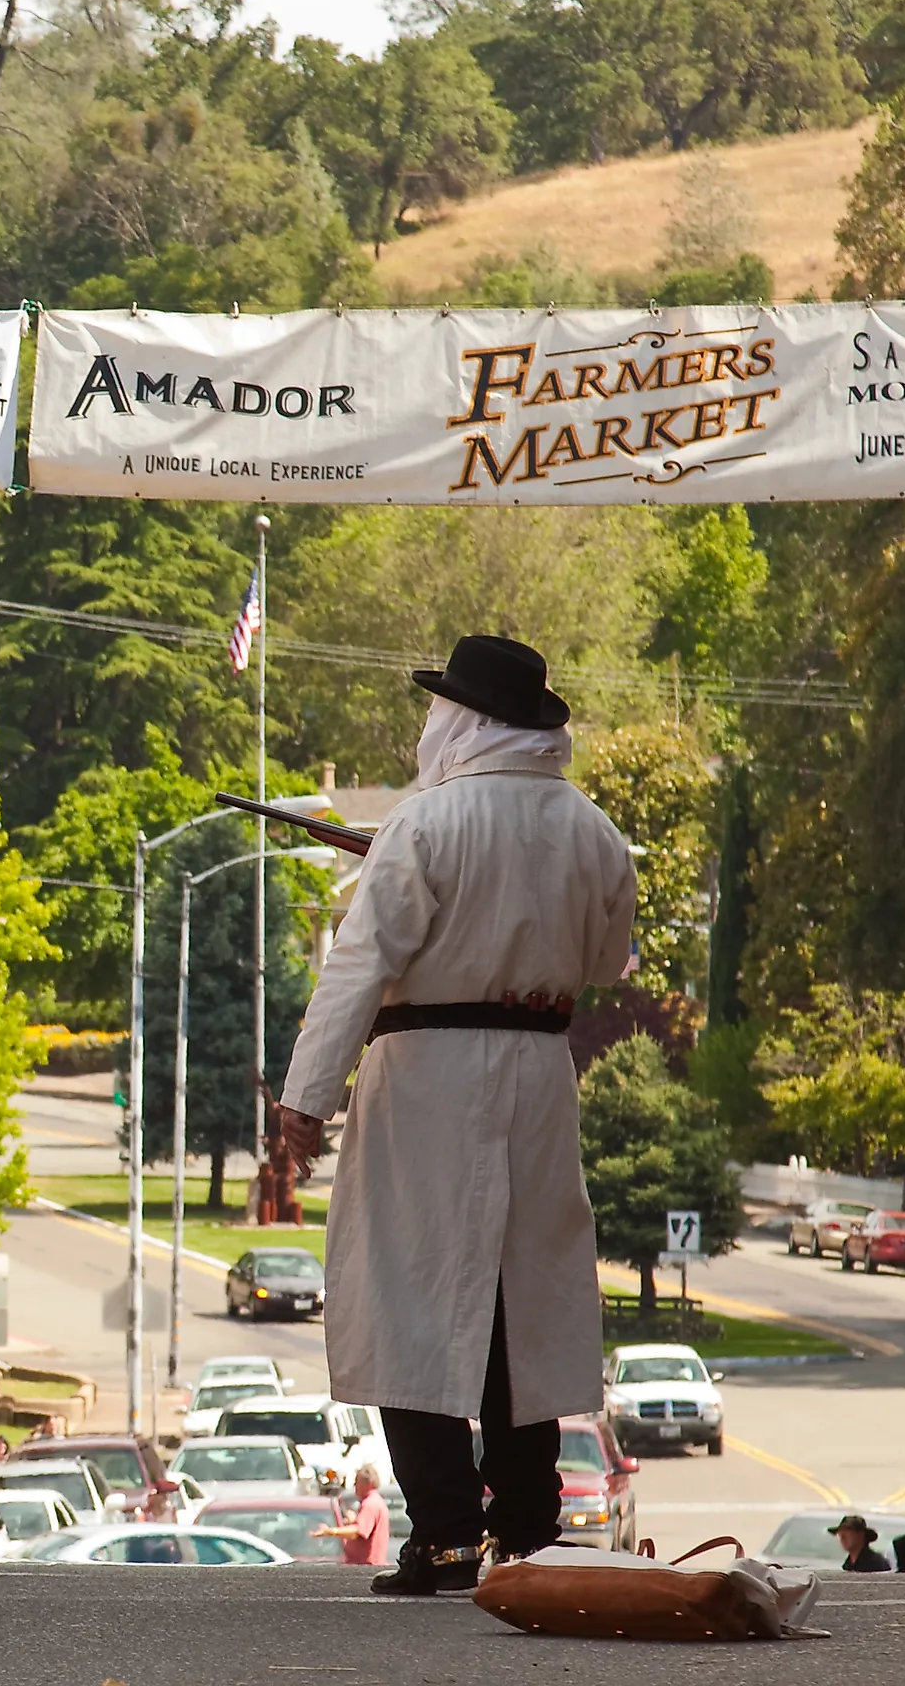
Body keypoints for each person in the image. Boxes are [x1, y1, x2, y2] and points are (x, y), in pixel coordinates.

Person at [275, 635, 637, 1598]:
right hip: (537, 1070)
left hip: (425, 1074)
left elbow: (358, 965)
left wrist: (304, 1100)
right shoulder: (595, 831)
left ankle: (441, 1534)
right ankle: (526, 1527)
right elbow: (605, 962)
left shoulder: (425, 824)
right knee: (520, 1297)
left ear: (469, 722)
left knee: (410, 1295)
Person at [317, 1465, 394, 1568]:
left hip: (365, 1568)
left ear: (368, 1483)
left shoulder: (371, 1504)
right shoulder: (374, 1502)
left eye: (357, 1482)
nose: (354, 1485)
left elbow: (357, 1532)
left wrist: (330, 1531)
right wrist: (353, 1520)